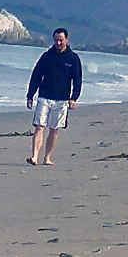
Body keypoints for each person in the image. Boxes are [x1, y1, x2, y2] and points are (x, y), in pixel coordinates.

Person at [26, 28, 81, 166]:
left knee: (54, 129)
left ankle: (48, 157)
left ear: (66, 40)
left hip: (62, 99)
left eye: (61, 40)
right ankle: (34, 156)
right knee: (39, 126)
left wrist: (74, 98)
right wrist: (30, 95)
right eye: (56, 40)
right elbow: (36, 75)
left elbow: (77, 80)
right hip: (44, 96)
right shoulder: (46, 56)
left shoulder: (73, 58)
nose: (58, 42)